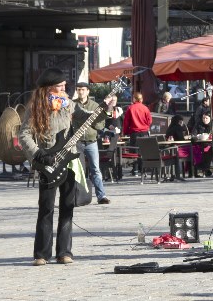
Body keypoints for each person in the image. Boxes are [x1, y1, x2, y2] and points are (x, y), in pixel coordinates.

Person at [19, 68, 116, 266]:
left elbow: (89, 117)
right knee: (46, 208)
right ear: (48, 88)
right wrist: (38, 153)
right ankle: (41, 254)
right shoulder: (36, 107)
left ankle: (64, 252)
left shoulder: (68, 105)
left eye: (64, 85)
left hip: (70, 160)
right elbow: (24, 135)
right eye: (59, 86)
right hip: (47, 160)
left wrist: (105, 109)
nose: (64, 88)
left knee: (67, 207)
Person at [72, 82, 111, 205]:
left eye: (83, 90)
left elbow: (101, 125)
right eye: (78, 90)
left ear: (88, 91)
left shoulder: (95, 106)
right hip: (76, 142)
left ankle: (101, 196)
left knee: (95, 169)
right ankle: (77, 197)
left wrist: (91, 121)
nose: (80, 92)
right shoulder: (73, 104)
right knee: (77, 170)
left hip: (91, 142)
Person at [123, 92, 152, 176]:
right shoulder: (145, 108)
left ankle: (135, 170)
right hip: (144, 132)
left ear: (134, 99)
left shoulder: (130, 108)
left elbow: (126, 122)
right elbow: (149, 121)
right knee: (144, 151)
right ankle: (144, 170)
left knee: (134, 152)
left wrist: (125, 132)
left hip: (134, 132)